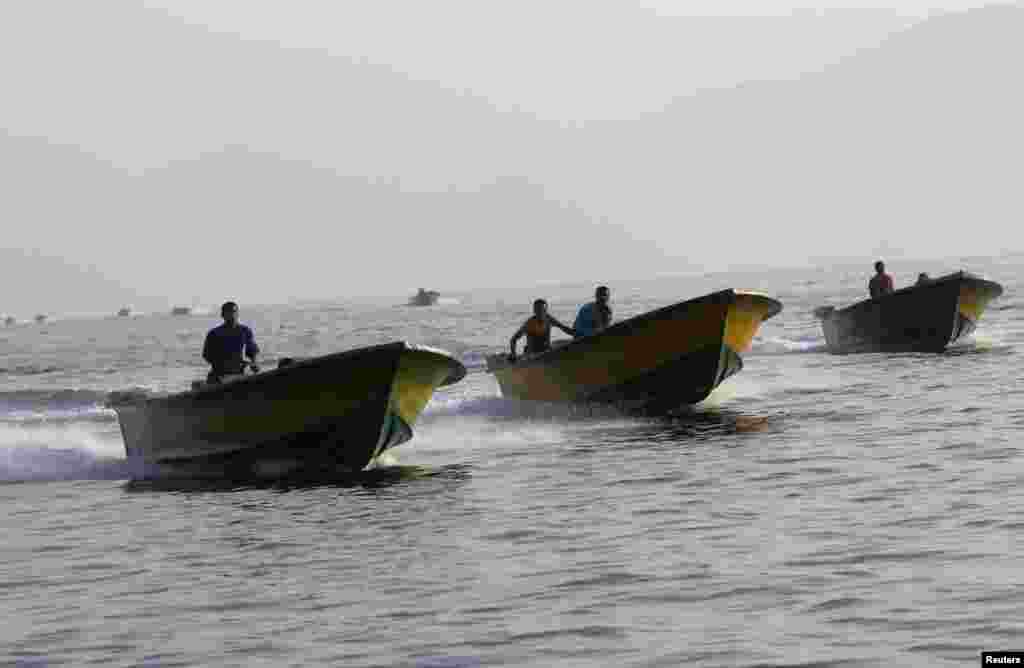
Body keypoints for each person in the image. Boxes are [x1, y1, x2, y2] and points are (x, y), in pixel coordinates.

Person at [202, 301, 260, 383]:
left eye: (234, 312)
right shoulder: (214, 333)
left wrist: (255, 362)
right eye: (228, 312)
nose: (232, 315)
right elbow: (207, 355)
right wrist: (223, 365)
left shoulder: (245, 331)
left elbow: (252, 350)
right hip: (220, 375)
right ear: (222, 315)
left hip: (241, 372)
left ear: (238, 314)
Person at [509, 299, 576, 360]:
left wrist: (576, 334)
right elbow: (513, 339)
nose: (540, 313)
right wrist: (513, 354)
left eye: (543, 310)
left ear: (546, 310)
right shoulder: (529, 323)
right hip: (532, 354)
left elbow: (563, 328)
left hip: (546, 351)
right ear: (534, 311)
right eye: (538, 310)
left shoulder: (549, 319)